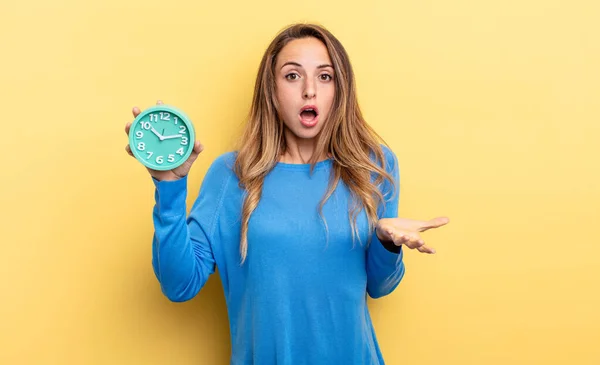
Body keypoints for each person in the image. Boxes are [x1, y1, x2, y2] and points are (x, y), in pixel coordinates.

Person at [124, 23, 449, 365]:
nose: (310, 90)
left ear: (340, 90)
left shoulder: (373, 165)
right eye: (293, 76)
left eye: (325, 77)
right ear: (272, 91)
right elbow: (179, 285)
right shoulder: (232, 175)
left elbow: (380, 287)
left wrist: (386, 243)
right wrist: (169, 188)